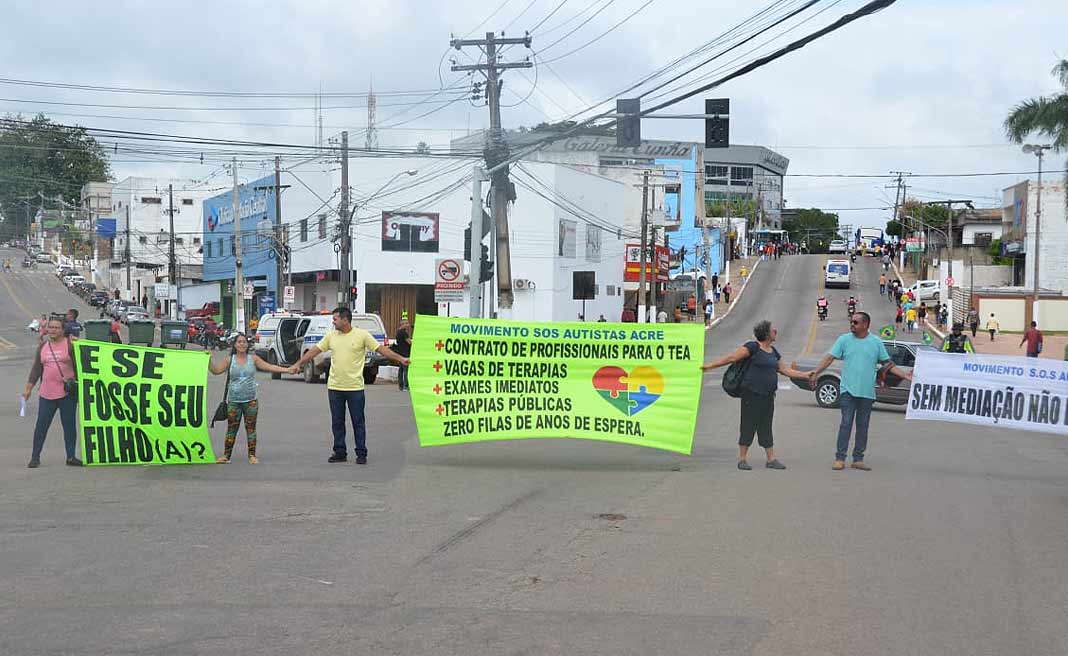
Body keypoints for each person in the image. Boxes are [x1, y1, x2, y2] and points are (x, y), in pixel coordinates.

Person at [289, 307, 410, 465]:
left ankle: (361, 453)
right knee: (337, 422)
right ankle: (340, 452)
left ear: (345, 320)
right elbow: (314, 351)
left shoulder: (362, 335)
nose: (333, 322)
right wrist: (298, 364)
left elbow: (381, 349)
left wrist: (401, 359)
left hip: (355, 388)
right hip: (335, 387)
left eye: (335, 319)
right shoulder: (331, 336)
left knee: (358, 422)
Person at [808, 311, 913, 471]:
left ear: (866, 324)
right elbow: (829, 358)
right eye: (852, 321)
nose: (852, 324)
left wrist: (905, 375)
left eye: (856, 322)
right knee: (846, 423)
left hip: (867, 393)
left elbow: (888, 364)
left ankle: (858, 459)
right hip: (848, 391)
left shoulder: (876, 342)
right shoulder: (844, 340)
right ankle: (840, 458)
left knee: (863, 426)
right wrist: (816, 372)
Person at [701, 320, 808, 471]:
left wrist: (805, 375)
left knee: (766, 426)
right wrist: (710, 366)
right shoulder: (753, 347)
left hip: (768, 396)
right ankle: (742, 459)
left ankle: (771, 459)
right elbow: (732, 358)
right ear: (766, 333)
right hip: (751, 395)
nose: (775, 331)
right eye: (772, 330)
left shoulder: (773, 351)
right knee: (748, 425)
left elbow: (785, 370)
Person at [208, 333, 290, 464]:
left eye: (244, 342)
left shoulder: (254, 359)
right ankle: (226, 456)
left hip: (251, 401)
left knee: (251, 429)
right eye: (239, 342)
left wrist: (288, 370)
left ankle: (252, 455)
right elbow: (216, 371)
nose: (242, 344)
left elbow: (270, 367)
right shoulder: (230, 360)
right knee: (231, 429)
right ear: (235, 345)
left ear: (247, 345)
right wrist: (208, 360)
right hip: (234, 401)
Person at [22, 319, 81, 468]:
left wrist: (79, 342)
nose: (53, 330)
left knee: (69, 426)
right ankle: (35, 457)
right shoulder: (43, 346)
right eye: (51, 327)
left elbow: (82, 363)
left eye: (56, 327)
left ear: (63, 330)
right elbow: (36, 369)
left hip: (67, 394)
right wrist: (28, 389)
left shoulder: (70, 345)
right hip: (46, 394)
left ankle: (71, 457)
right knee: (41, 426)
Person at [394, 317, 412, 391]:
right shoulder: (404, 333)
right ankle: (406, 386)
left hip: (399, 353)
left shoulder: (398, 332)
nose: (408, 325)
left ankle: (400, 386)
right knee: (406, 370)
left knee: (401, 369)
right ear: (403, 324)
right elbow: (409, 342)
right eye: (406, 323)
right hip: (405, 353)